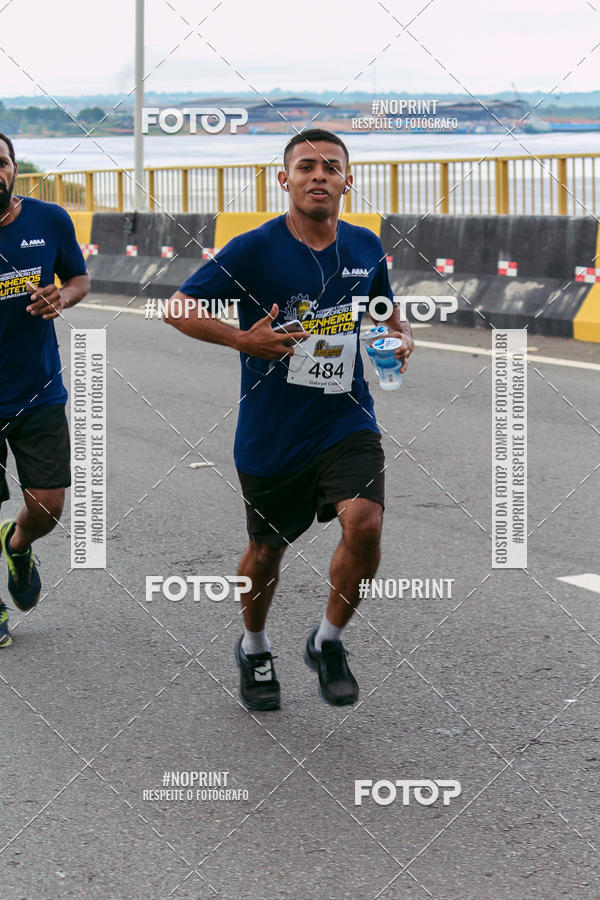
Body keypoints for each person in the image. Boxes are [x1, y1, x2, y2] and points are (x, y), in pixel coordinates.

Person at [165, 128, 414, 708]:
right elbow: (178, 307)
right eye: (306, 166)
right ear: (285, 180)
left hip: (345, 421)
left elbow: (388, 317)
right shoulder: (254, 249)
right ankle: (253, 645)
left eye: (331, 166)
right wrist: (240, 339)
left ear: (348, 181)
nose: (318, 175)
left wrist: (400, 340)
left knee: (366, 523)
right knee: (266, 551)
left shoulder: (365, 247)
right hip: (272, 436)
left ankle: (327, 641)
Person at [0, 133, 90, 648]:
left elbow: (79, 278)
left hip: (38, 391)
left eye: (2, 161)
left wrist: (64, 296)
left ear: (14, 169)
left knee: (49, 504)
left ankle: (17, 543)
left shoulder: (49, 219)